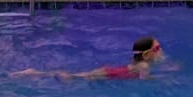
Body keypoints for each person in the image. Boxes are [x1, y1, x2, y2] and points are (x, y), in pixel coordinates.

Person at [13, 35, 164, 80]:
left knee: (79, 75)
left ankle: (36, 73)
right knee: (73, 76)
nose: (160, 50)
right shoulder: (144, 66)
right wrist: (161, 80)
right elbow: (144, 79)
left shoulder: (138, 63)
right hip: (110, 73)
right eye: (157, 48)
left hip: (110, 72)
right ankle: (34, 72)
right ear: (146, 54)